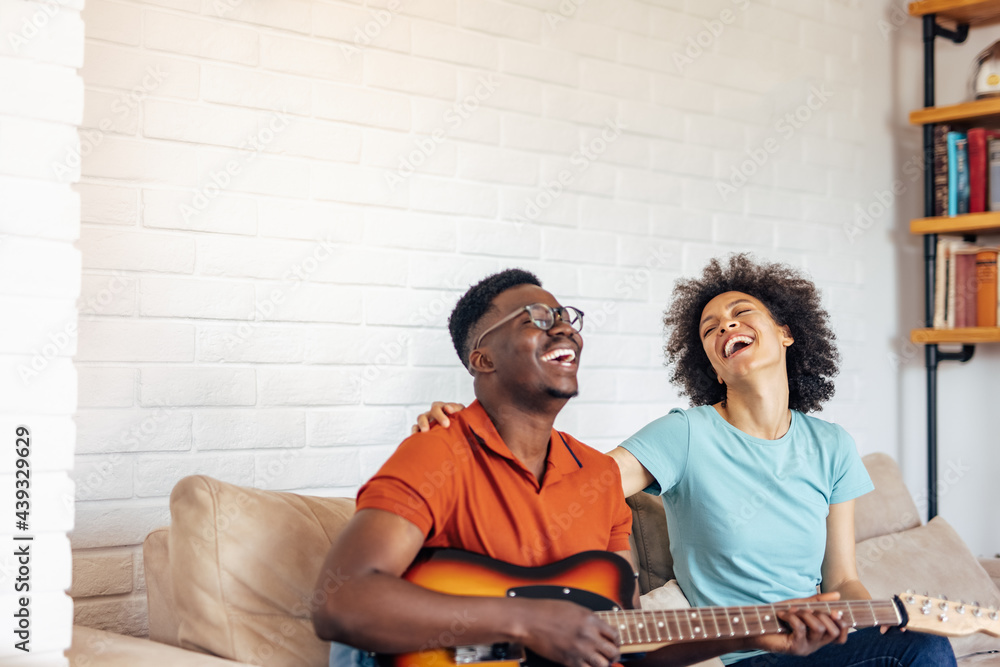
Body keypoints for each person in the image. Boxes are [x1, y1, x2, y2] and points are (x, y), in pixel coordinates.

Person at [413, 256, 958, 667]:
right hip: (744, 652)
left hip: (825, 642)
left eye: (740, 314)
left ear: (787, 333)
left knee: (921, 645)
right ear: (714, 367)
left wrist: (871, 618)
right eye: (710, 328)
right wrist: (478, 429)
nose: (725, 327)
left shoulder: (831, 444)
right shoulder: (686, 434)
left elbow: (842, 578)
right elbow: (576, 488)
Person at [313, 268, 853, 667]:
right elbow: (340, 601)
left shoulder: (596, 479)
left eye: (569, 319)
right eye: (539, 319)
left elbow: (628, 646)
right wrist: (527, 621)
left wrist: (749, 636)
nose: (566, 329)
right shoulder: (438, 452)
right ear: (483, 359)